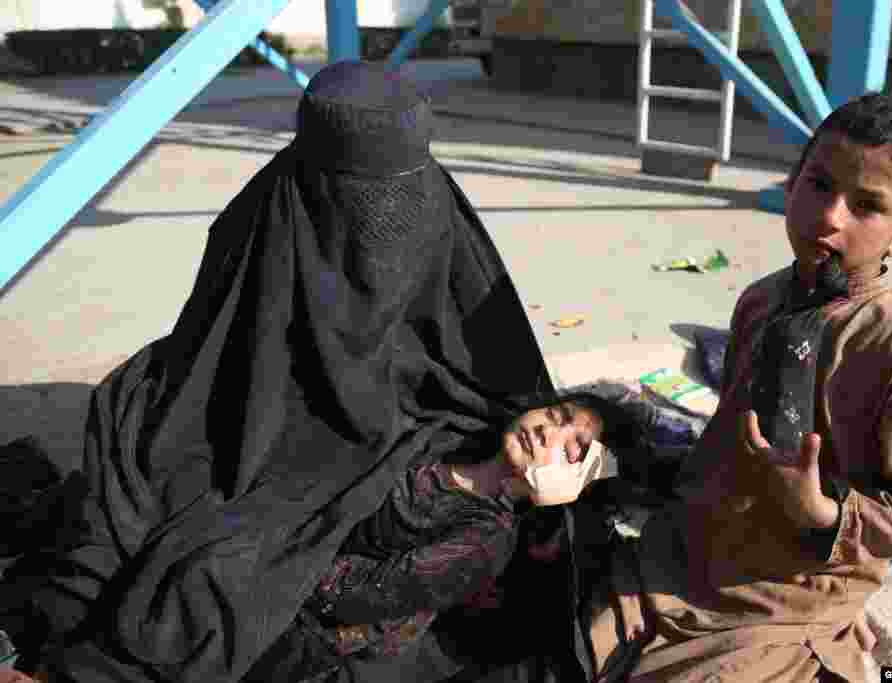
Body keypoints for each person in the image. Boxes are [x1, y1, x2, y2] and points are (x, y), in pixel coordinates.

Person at [1, 61, 564, 683]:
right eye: (357, 205)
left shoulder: (469, 398)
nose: (379, 239)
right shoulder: (154, 404)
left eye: (400, 202)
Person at [587, 92, 892, 682]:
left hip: (785, 594)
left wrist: (825, 513)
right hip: (687, 551)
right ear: (792, 182)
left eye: (867, 205)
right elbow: (729, 429)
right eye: (819, 185)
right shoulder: (762, 300)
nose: (830, 217)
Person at [245, 391, 645, 681]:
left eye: (572, 446)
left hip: (288, 619)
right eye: (556, 415)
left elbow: (353, 595)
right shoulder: (453, 428)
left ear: (572, 485)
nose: (546, 432)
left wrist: (283, 548)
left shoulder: (485, 541)